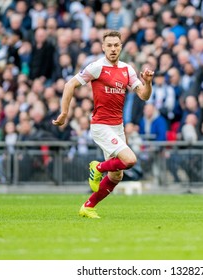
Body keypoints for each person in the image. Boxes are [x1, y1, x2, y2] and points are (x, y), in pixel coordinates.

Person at [53, 30, 154, 219]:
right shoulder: (97, 67)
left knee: (116, 176)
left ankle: (88, 206)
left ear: (121, 47)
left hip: (118, 127)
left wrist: (148, 83)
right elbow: (69, 85)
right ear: (103, 47)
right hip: (101, 126)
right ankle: (97, 167)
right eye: (109, 45)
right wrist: (64, 113)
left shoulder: (127, 69)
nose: (113, 49)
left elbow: (144, 95)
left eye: (116, 45)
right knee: (130, 160)